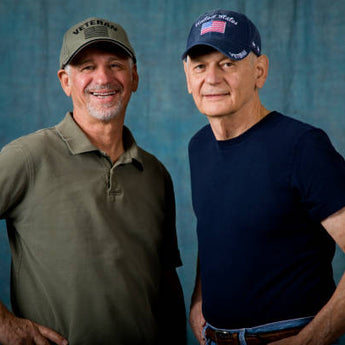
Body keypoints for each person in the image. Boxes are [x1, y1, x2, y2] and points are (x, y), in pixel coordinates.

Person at [0, 17, 186, 345]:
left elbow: (166, 284)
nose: (103, 78)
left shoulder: (155, 175)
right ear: (65, 81)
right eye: (87, 66)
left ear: (134, 77)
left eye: (115, 64)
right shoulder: (28, 158)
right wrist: (3, 324)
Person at [182, 9, 345, 345]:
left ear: (259, 71)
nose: (211, 78)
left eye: (227, 63)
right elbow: (217, 231)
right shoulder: (198, 147)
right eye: (200, 66)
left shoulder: (302, 147)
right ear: (188, 77)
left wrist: (308, 342)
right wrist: (200, 300)